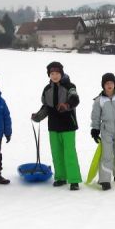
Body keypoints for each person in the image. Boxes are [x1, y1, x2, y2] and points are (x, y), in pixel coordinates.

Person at [31, 61, 82, 189]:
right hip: (53, 126)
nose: (54, 76)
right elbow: (46, 107)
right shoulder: (47, 90)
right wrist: (38, 116)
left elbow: (75, 99)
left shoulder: (70, 86)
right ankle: (60, 177)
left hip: (68, 125)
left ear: (61, 73)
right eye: (52, 73)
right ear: (49, 75)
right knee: (56, 153)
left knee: (69, 152)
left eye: (57, 73)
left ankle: (74, 180)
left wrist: (67, 105)